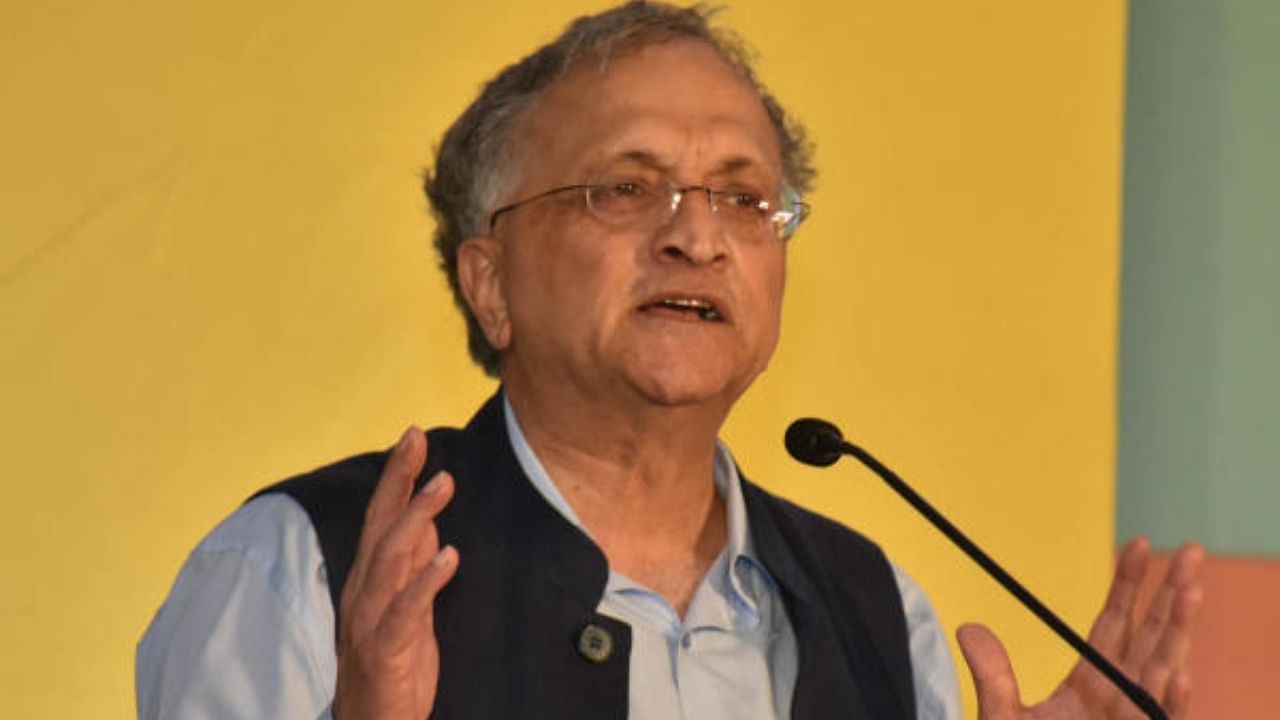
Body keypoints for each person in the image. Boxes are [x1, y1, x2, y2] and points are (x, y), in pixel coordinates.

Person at [136, 3, 1204, 719]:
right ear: (489, 281)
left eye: (743, 196)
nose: (697, 236)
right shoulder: (296, 571)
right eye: (626, 187)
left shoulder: (877, 616)